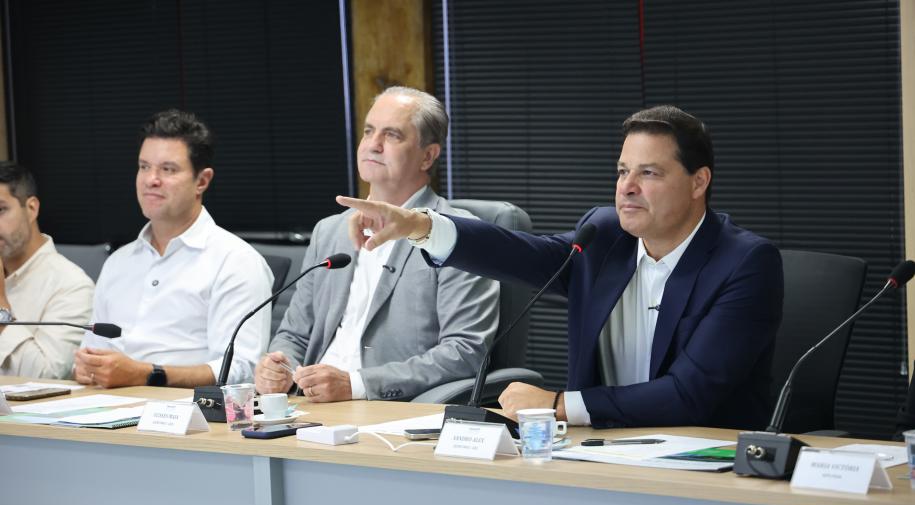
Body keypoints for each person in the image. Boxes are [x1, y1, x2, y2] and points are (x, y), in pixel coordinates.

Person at [337, 105, 784, 429]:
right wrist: (417, 223)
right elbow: (515, 252)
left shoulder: (744, 263)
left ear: (698, 182)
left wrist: (557, 404)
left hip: (706, 457)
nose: (626, 188)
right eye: (622, 171)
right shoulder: (606, 236)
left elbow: (690, 395)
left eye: (649, 174)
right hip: (599, 449)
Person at [254, 86, 498, 402]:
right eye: (369, 131)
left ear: (428, 155)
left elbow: (465, 351)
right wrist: (277, 367)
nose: (373, 145)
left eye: (392, 135)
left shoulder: (456, 235)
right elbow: (293, 334)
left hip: (387, 410)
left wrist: (356, 384)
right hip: (307, 405)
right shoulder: (329, 231)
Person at [73, 109, 273, 388]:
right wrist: (86, 369)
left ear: (201, 181)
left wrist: (146, 374)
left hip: (187, 419)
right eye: (144, 167)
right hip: (104, 410)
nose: (150, 179)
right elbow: (90, 353)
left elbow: (240, 369)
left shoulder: (236, 261)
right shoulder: (118, 262)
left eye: (167, 169)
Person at [0, 162, 94, 378]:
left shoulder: (72, 285)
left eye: (0, 209)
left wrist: (1, 308)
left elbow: (51, 377)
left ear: (31, 208)